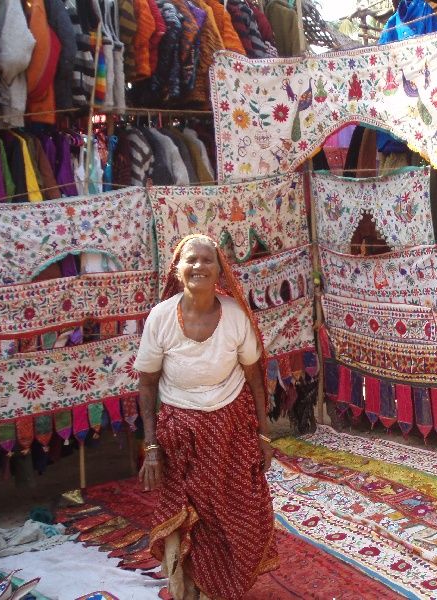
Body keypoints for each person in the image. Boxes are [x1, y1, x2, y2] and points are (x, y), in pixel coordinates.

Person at [134, 233, 278, 600]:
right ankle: (186, 588)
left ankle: (220, 586)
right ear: (178, 270)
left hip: (231, 428)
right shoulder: (161, 318)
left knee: (236, 512)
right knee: (187, 512)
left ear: (219, 271)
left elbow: (255, 378)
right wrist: (151, 447)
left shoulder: (235, 316)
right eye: (191, 260)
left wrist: (263, 436)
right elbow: (147, 385)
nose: (199, 266)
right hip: (180, 433)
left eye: (207, 260)